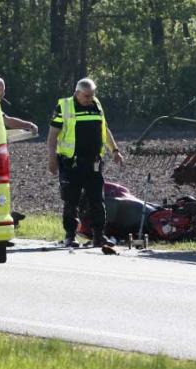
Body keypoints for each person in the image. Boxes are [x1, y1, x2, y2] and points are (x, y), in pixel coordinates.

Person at [47, 78, 124, 247]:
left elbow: (105, 129)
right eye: (86, 96)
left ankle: (98, 236)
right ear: (77, 93)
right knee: (71, 201)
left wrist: (115, 150)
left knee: (97, 200)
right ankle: (70, 236)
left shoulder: (96, 105)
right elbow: (52, 135)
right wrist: (52, 159)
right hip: (71, 164)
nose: (89, 99)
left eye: (92, 95)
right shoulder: (64, 107)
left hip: (93, 164)